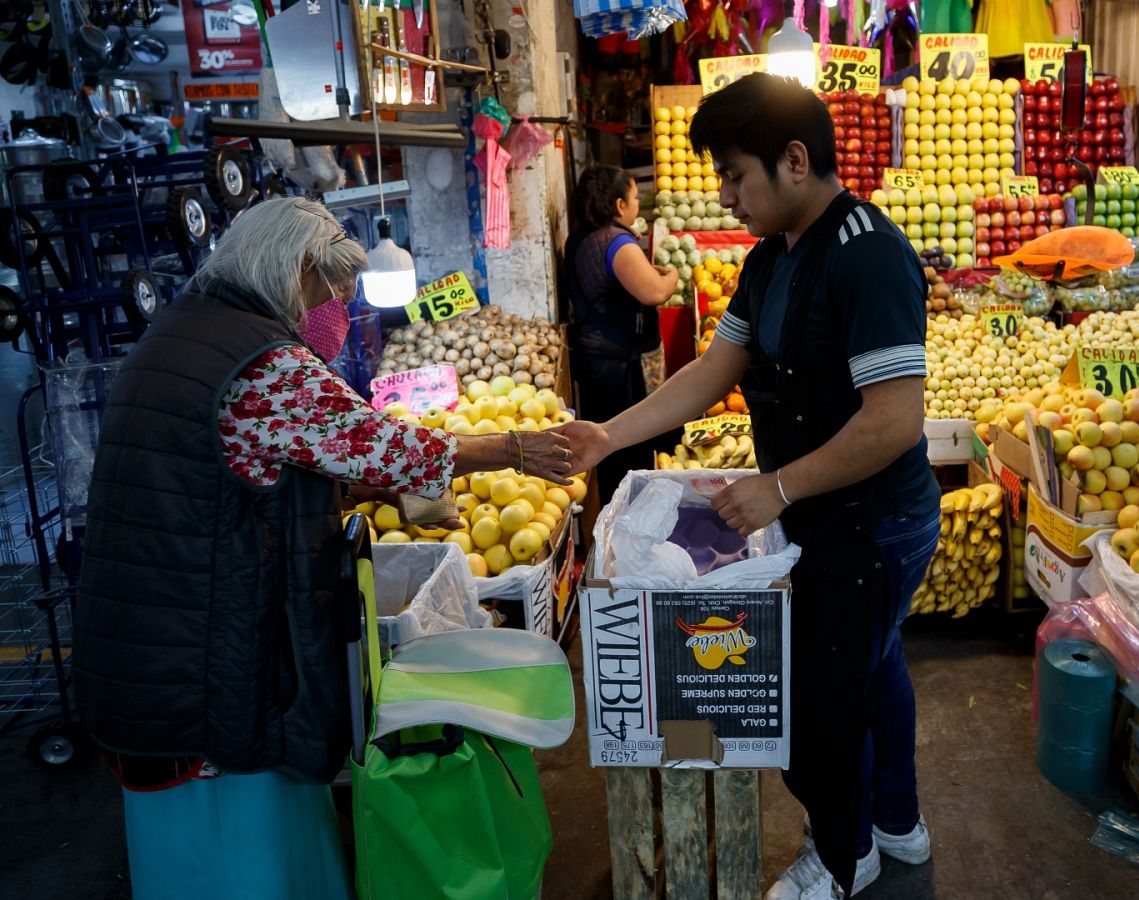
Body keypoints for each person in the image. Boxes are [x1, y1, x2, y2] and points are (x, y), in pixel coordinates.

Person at [73, 197, 574, 899]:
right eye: (334, 290)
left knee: (192, 854)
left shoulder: (186, 331)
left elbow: (233, 479)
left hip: (150, 648)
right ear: (297, 270)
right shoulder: (261, 364)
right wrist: (517, 448)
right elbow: (386, 447)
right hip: (201, 664)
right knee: (241, 858)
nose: (339, 309)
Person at [558, 73, 939, 899]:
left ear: (794, 160)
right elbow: (712, 370)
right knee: (875, 670)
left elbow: (895, 421)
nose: (725, 195)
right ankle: (898, 826)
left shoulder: (867, 255)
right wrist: (609, 437)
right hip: (826, 513)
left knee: (821, 700)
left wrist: (780, 488)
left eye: (735, 175)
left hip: (873, 520)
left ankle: (844, 857)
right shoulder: (772, 259)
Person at [565, 165, 679, 502]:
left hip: (595, 361)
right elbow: (655, 292)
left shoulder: (580, 237)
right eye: (633, 199)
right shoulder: (616, 241)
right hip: (620, 365)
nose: (635, 206)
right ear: (618, 205)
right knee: (631, 452)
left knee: (608, 450)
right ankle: (634, 521)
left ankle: (615, 519)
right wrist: (670, 275)